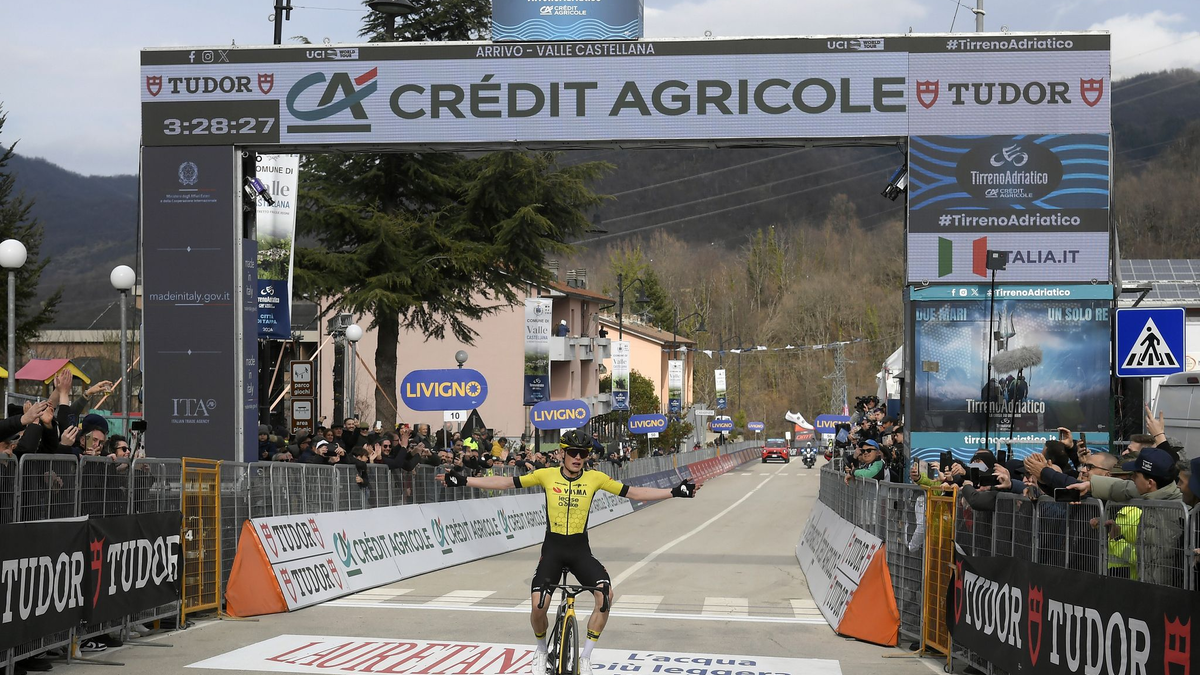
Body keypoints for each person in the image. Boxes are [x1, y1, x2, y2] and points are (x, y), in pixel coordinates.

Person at [442, 429, 698, 675]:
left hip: (579, 551)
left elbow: (634, 492)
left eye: (583, 454)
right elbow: (506, 482)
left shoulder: (595, 478)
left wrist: (674, 491)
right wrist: (464, 480)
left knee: (605, 595)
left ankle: (585, 657)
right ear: (562, 453)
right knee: (538, 606)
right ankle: (541, 650)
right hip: (553, 550)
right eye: (573, 452)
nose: (577, 458)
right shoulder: (546, 475)